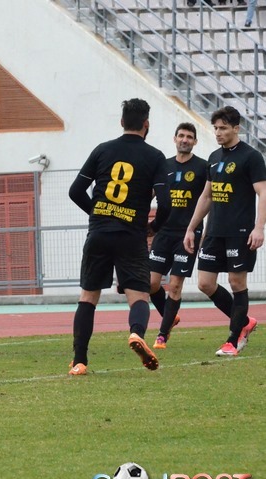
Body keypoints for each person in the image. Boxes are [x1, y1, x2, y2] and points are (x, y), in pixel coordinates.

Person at [67, 98, 167, 376]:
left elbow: (75, 191)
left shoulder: (102, 150)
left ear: (122, 122)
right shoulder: (155, 157)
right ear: (146, 124)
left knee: (88, 297)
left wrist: (98, 213)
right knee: (139, 296)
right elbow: (167, 204)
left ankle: (79, 361)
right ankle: (136, 334)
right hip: (131, 236)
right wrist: (153, 227)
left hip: (99, 232)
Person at [183, 106, 265, 356]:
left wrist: (258, 228)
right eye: (216, 128)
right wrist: (191, 228)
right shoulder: (214, 157)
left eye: (223, 128)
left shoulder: (251, 157)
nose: (218, 132)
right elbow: (206, 196)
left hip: (239, 232)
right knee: (205, 283)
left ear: (236, 128)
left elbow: (263, 192)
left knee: (236, 282)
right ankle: (245, 322)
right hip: (214, 232)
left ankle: (233, 340)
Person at [148, 122, 208, 349]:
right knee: (150, 283)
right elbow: (150, 194)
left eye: (189, 137)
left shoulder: (202, 167)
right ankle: (170, 316)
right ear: (175, 139)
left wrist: (203, 231)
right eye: (181, 135)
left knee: (174, 285)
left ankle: (162, 335)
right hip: (164, 232)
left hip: (187, 234)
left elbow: (209, 200)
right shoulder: (163, 166)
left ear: (195, 142)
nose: (185, 140)